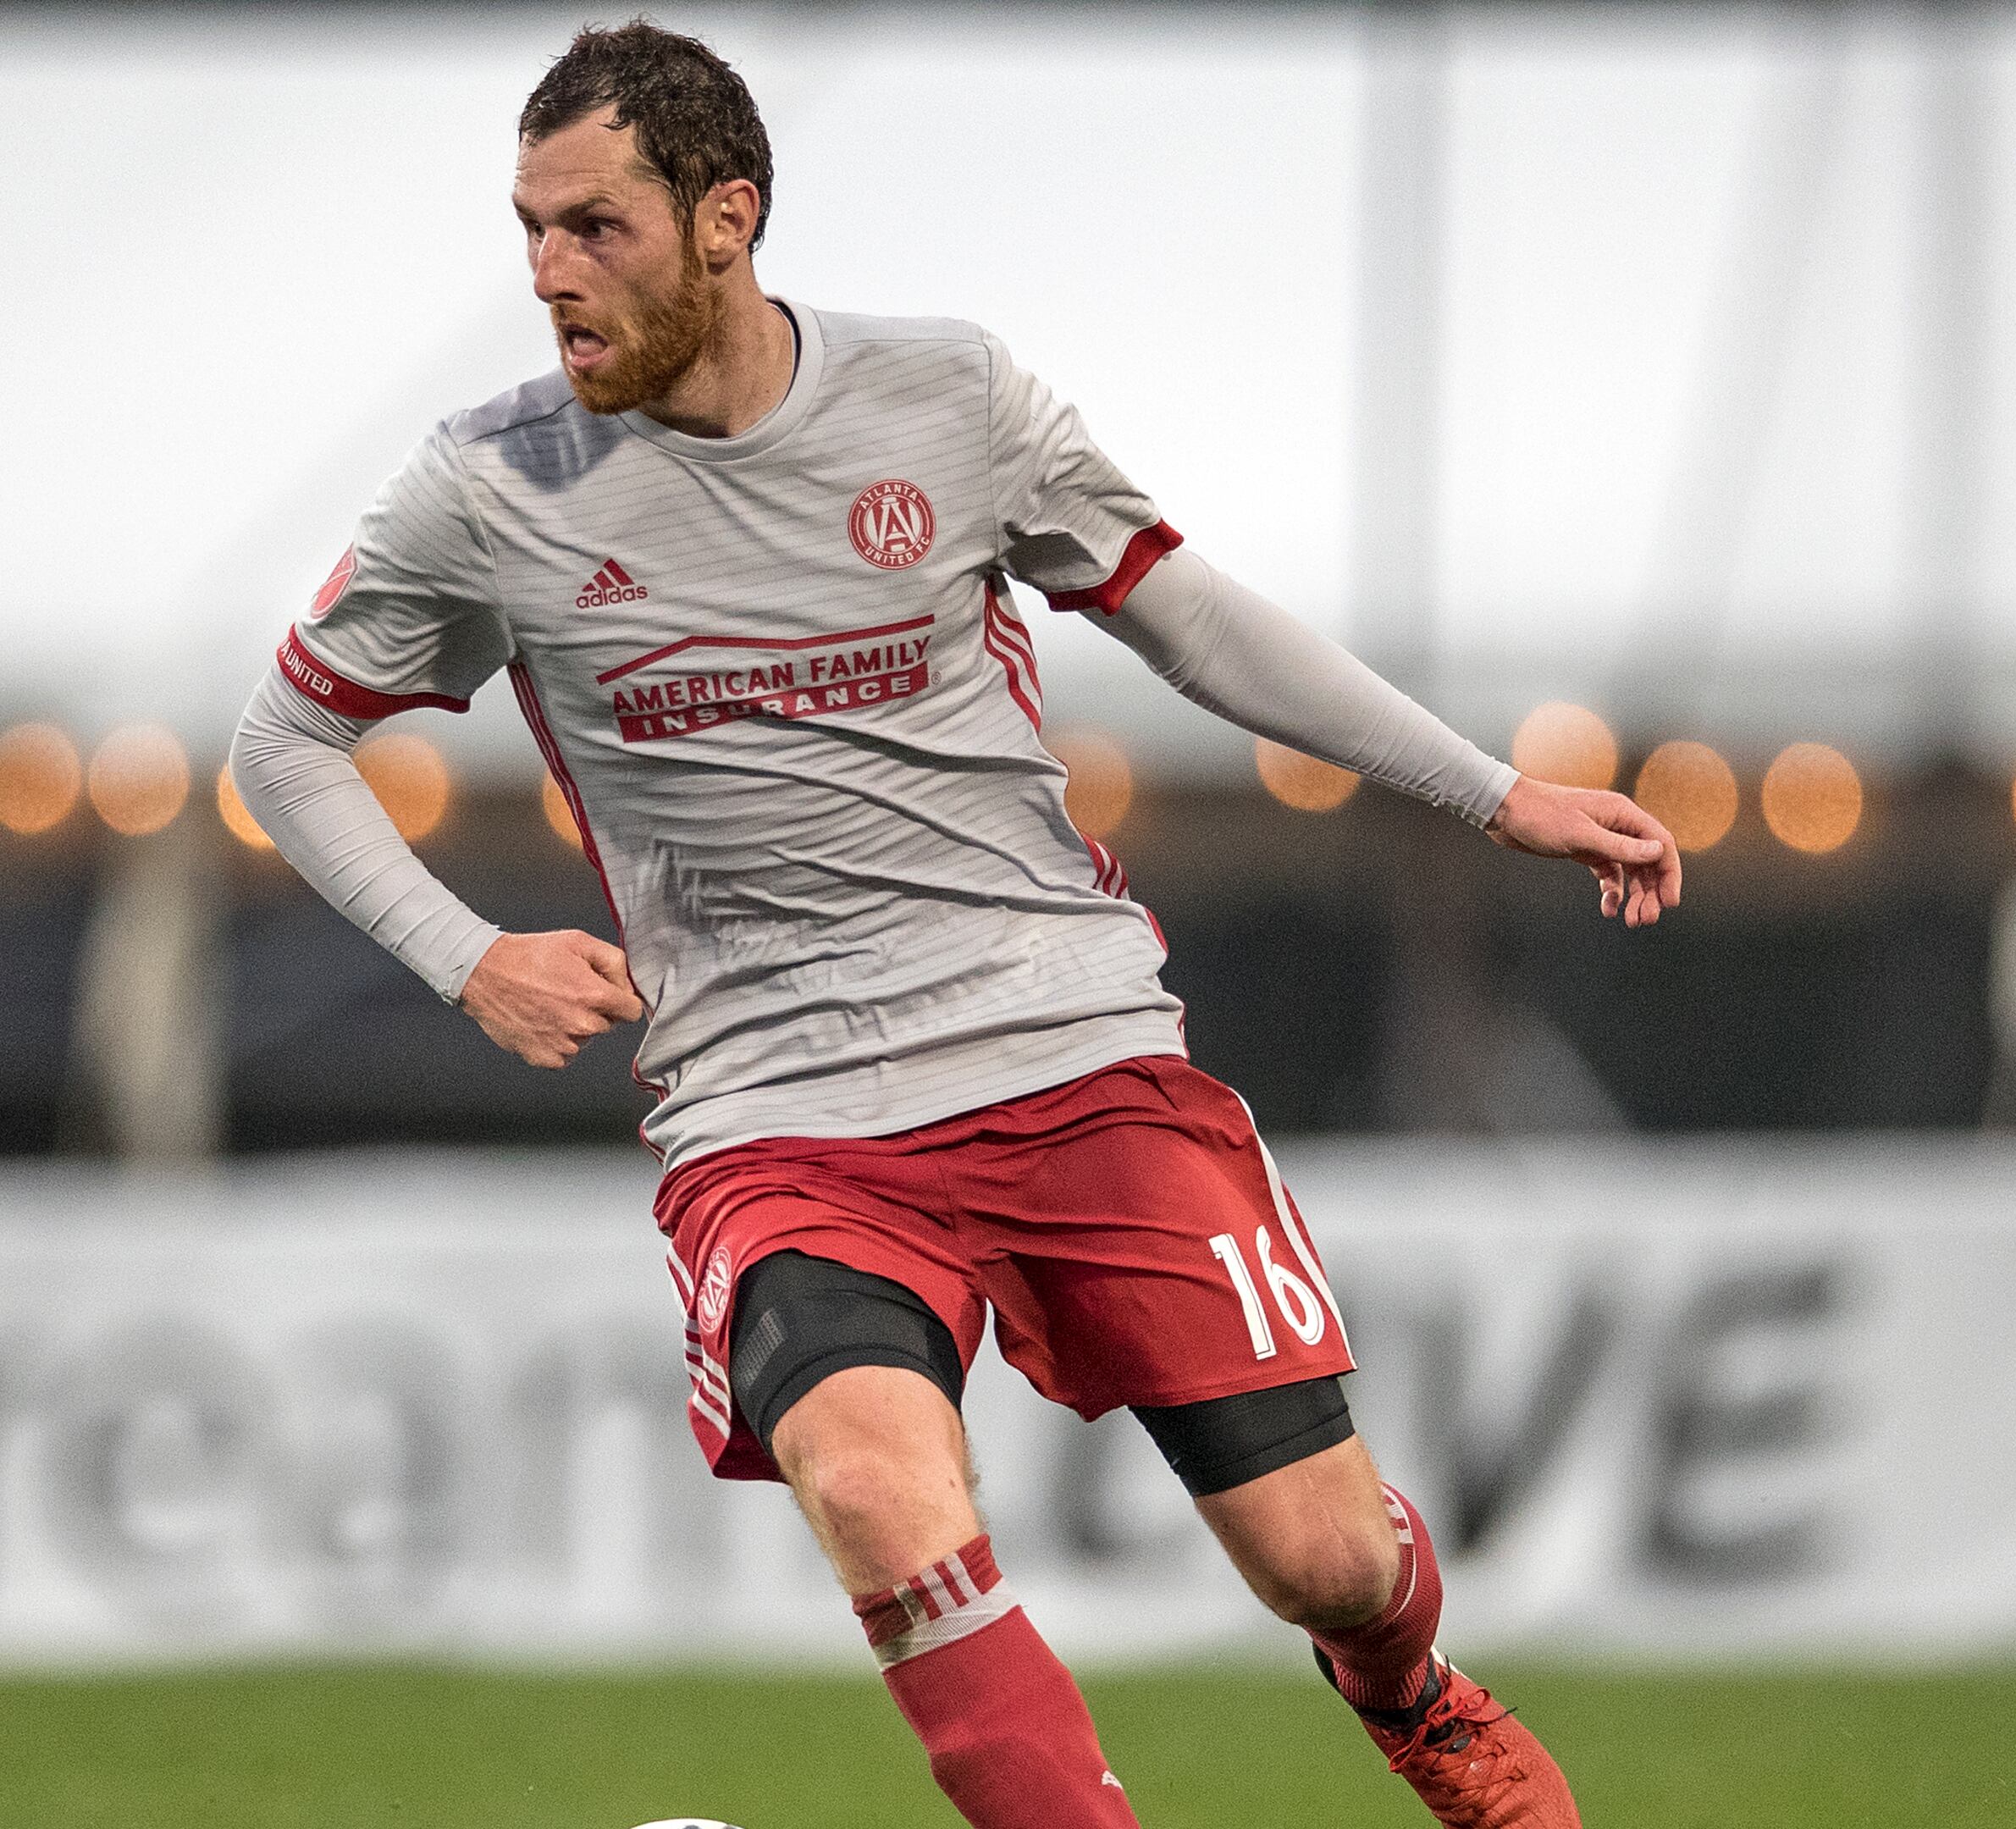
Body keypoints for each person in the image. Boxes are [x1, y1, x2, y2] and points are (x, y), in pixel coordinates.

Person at [227, 23, 1676, 1829]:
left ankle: (1417, 1699)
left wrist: (1496, 790)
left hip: (1068, 1046)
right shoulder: (487, 485)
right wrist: (467, 956)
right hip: (777, 1114)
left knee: (1323, 1563)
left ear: (726, 216)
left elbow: (1189, 616)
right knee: (877, 1497)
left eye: (593, 228)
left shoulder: (949, 397)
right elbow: (284, 741)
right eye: (528, 230)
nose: (546, 277)